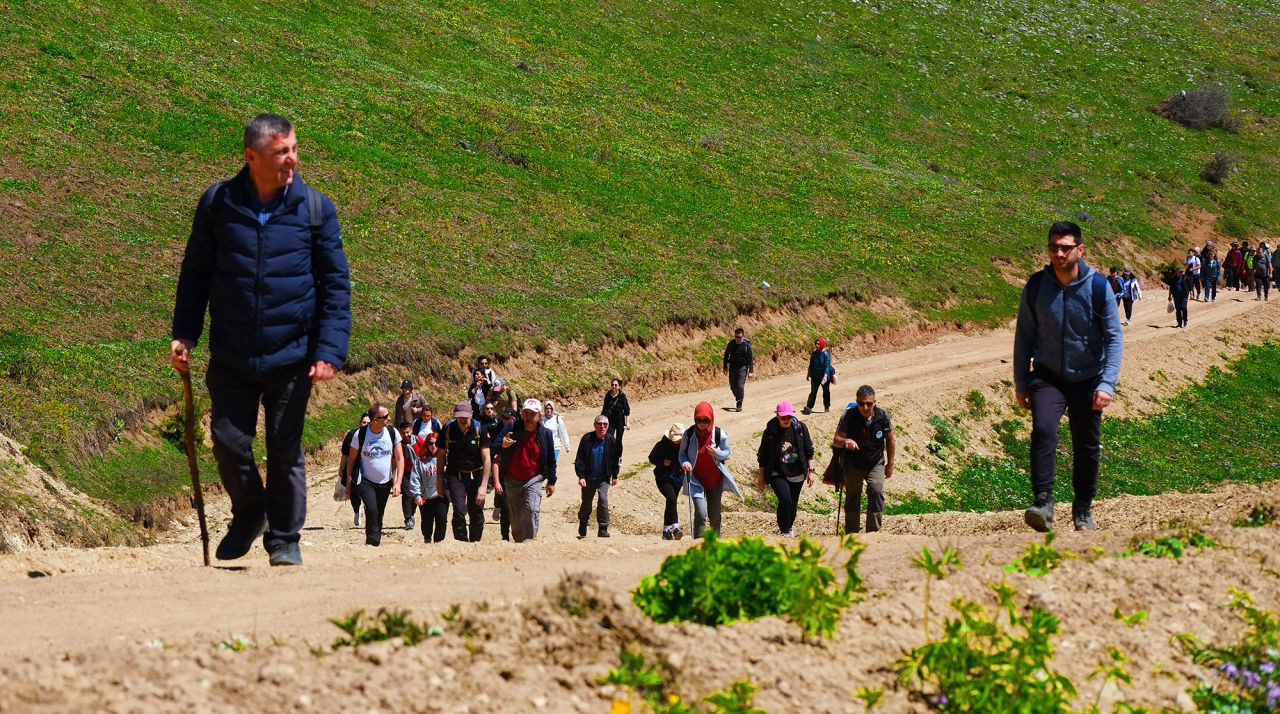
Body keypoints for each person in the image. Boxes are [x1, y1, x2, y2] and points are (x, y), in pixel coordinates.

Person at [171, 113, 351, 567]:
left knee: (285, 447)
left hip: (293, 354)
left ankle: (285, 538)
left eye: (293, 148)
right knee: (228, 441)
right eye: (282, 152)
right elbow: (196, 273)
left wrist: (328, 350)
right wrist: (185, 334)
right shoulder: (218, 204)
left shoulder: (315, 209)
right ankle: (250, 514)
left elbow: (335, 285)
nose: (292, 159)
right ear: (252, 157)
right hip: (232, 352)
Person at [1013, 220, 1123, 532]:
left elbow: (1114, 338)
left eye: (1065, 247)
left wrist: (1106, 383)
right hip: (1048, 376)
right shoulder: (1036, 286)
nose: (1059, 253)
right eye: (1053, 247)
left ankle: (1083, 507)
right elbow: (1023, 337)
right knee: (1043, 429)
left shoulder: (1098, 287)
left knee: (1086, 445)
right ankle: (1043, 502)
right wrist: (1022, 382)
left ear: (1080, 249)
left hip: (1088, 378)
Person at [833, 387, 894, 533]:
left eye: (868, 403)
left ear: (874, 402)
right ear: (856, 402)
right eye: (861, 403)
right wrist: (846, 441)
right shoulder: (849, 415)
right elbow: (836, 439)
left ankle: (873, 532)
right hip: (853, 463)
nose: (864, 407)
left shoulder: (882, 416)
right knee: (853, 496)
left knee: (876, 492)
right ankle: (851, 532)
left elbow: (890, 440)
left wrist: (890, 464)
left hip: (875, 462)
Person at [496, 399, 558, 542]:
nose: (529, 417)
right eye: (526, 413)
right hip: (511, 480)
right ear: (522, 414)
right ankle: (519, 544)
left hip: (533, 478)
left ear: (539, 416)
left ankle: (530, 542)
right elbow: (494, 446)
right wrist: (503, 445)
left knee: (531, 509)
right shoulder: (512, 428)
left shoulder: (545, 434)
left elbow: (550, 459)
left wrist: (551, 481)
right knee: (515, 517)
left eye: (533, 414)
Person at [344, 404, 403, 547]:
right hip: (366, 480)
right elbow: (351, 460)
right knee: (372, 509)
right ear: (375, 420)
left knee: (379, 513)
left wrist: (397, 483)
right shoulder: (361, 434)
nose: (389, 419)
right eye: (385, 417)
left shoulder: (392, 432)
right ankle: (372, 542)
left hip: (385, 481)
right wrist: (348, 483)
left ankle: (375, 542)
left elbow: (400, 458)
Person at [679, 401, 740, 538]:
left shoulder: (719, 434)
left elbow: (727, 452)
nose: (702, 423)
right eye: (698, 420)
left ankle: (715, 542)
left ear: (711, 419)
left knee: (715, 515)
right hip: (696, 480)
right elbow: (682, 454)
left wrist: (717, 453)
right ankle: (699, 544)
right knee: (700, 513)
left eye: (705, 420)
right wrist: (685, 463)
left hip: (714, 480)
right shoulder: (688, 435)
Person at [756, 401, 815, 537]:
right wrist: (761, 477)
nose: (786, 420)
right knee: (785, 500)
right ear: (777, 416)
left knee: (793, 503)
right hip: (777, 472)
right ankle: (784, 531)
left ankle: (789, 527)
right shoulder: (771, 431)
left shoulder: (800, 428)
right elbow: (762, 455)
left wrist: (811, 471)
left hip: (797, 472)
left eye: (788, 417)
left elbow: (809, 450)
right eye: (783, 417)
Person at [438, 401, 491, 542]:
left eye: (465, 417)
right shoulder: (448, 429)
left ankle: (475, 542)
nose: (462, 420)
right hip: (456, 474)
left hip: (476, 474)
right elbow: (441, 456)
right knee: (459, 510)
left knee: (476, 511)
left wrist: (484, 486)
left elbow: (487, 459)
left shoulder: (480, 429)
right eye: (459, 416)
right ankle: (461, 542)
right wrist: (439, 481)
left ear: (471, 415)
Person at [575, 415, 620, 538]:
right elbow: (580, 459)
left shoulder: (611, 440)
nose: (602, 426)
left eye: (605, 424)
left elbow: (615, 459)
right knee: (586, 502)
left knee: (603, 500)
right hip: (588, 477)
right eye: (599, 424)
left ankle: (603, 528)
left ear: (608, 426)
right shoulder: (587, 439)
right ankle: (583, 522)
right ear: (594, 425)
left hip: (603, 478)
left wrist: (615, 475)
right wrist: (581, 476)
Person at [407, 432, 448, 543]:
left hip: (441, 495)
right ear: (427, 444)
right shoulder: (420, 460)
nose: (433, 446)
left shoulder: (445, 458)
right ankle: (427, 538)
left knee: (441, 519)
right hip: (426, 496)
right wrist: (416, 495)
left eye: (436, 443)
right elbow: (415, 478)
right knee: (427, 522)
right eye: (430, 443)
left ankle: (438, 542)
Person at [648, 423, 686, 540]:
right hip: (663, 477)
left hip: (678, 478)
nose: (677, 441)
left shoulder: (684, 445)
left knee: (671, 503)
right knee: (672, 499)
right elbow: (651, 458)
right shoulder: (662, 445)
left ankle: (666, 531)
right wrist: (662, 463)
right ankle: (675, 527)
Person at [487, 407, 517, 540]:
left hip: (516, 473)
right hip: (498, 464)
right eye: (503, 418)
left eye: (507, 418)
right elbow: (493, 447)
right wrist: (503, 445)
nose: (504, 421)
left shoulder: (518, 428)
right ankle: (505, 536)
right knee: (504, 504)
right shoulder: (497, 427)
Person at [339, 414, 371, 527]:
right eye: (364, 422)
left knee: (368, 492)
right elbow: (345, 453)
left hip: (369, 467)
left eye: (368, 422)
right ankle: (357, 511)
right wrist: (341, 468)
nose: (365, 425)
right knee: (354, 491)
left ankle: (370, 515)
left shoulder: (373, 435)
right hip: (355, 466)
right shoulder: (352, 434)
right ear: (359, 422)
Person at [722, 327, 755, 412]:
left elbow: (750, 359)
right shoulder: (731, 344)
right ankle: (738, 397)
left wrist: (751, 371)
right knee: (733, 387)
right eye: (736, 337)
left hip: (742, 368)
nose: (738, 339)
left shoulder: (747, 345)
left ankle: (739, 402)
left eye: (740, 337)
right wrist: (725, 367)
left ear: (743, 336)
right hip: (732, 368)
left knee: (740, 386)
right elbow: (726, 355)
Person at [601, 379, 631, 467]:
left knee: (618, 440)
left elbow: (627, 410)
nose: (613, 386)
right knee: (609, 438)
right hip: (610, 421)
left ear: (619, 387)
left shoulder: (622, 396)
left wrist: (627, 422)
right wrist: (602, 420)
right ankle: (610, 457)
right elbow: (605, 408)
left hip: (620, 421)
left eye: (615, 385)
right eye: (612, 385)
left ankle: (618, 458)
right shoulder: (608, 395)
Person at [803, 338, 834, 414]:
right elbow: (811, 365)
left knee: (826, 392)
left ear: (822, 344)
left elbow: (827, 365)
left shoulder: (826, 353)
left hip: (825, 377)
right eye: (816, 343)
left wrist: (825, 375)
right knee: (813, 392)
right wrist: (808, 374)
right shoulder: (814, 354)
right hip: (815, 376)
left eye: (818, 344)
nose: (816, 345)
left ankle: (826, 407)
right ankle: (809, 407)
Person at [398, 422, 418, 531]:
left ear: (411, 431)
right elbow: (394, 461)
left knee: (415, 495)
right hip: (405, 473)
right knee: (406, 495)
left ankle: (412, 513)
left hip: (417, 473)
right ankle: (408, 518)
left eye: (407, 432)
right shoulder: (399, 444)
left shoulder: (418, 441)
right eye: (403, 433)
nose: (406, 435)